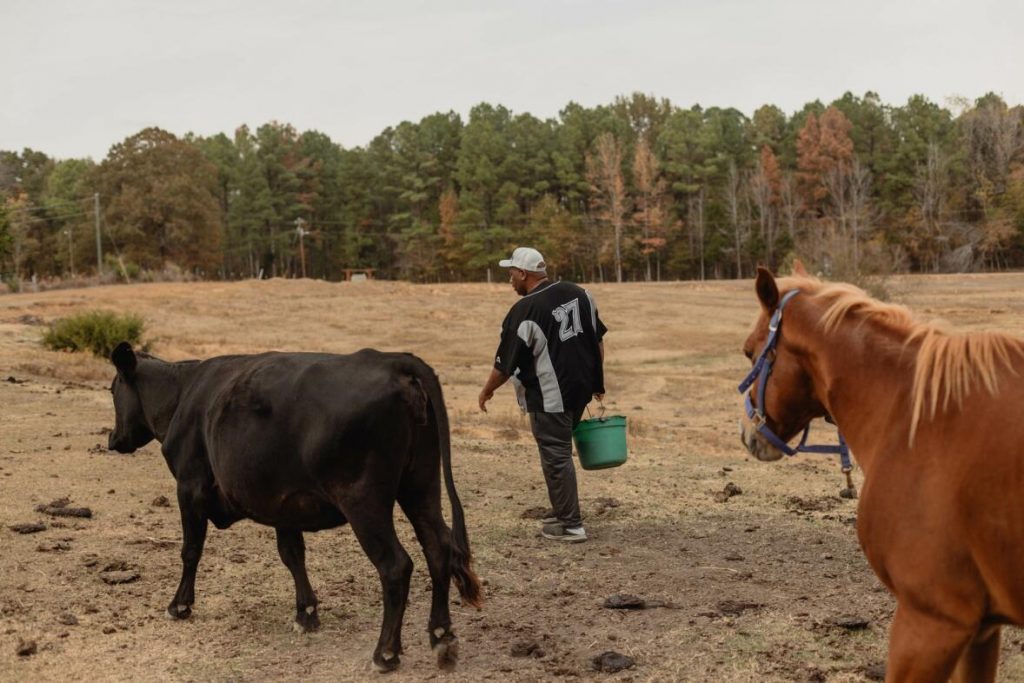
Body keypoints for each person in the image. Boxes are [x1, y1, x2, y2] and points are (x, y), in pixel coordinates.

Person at [478, 247, 607, 543]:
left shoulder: (524, 311)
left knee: (555, 454)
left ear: (523, 274)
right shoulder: (581, 293)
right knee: (558, 451)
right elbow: (597, 340)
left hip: (550, 395)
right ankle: (563, 510)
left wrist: (486, 391)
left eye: (511, 274)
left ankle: (571, 525)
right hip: (580, 390)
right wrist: (597, 381)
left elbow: (504, 365)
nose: (509, 280)